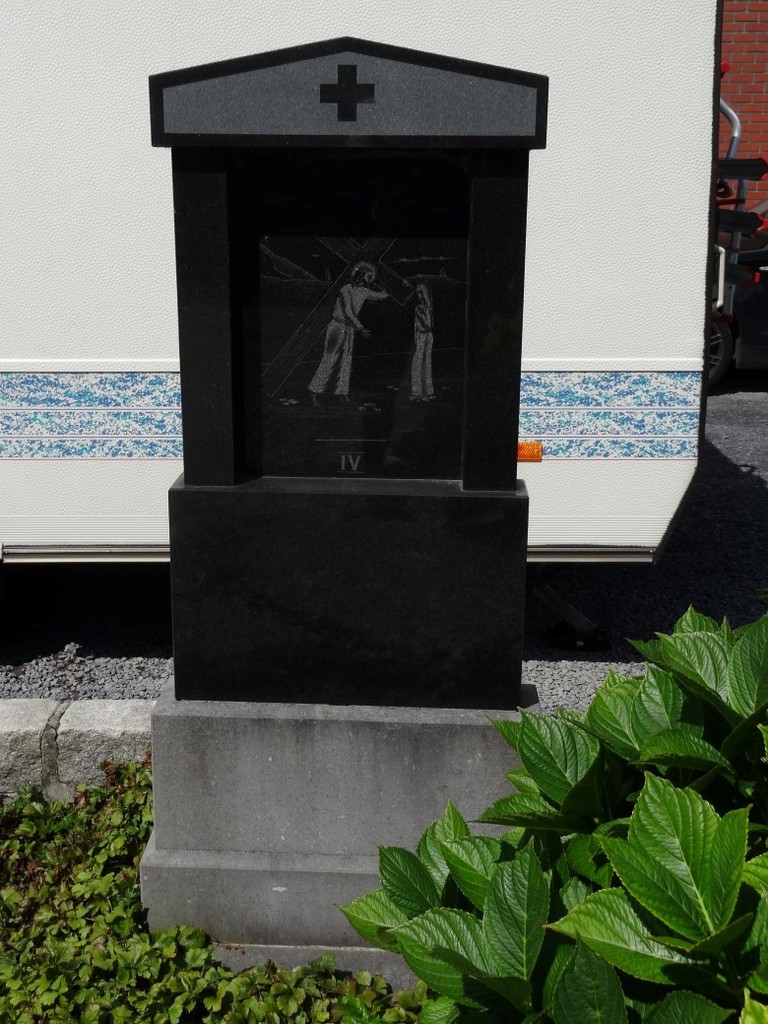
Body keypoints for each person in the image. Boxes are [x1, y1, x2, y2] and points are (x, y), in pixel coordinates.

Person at [308, 262, 388, 401]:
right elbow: (348, 312)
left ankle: (342, 393)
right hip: (337, 326)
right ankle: (314, 391)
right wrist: (361, 328)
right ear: (359, 275)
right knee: (329, 358)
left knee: (346, 360)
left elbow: (381, 296)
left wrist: (387, 289)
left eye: (370, 279)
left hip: (350, 329)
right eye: (367, 277)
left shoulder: (364, 291)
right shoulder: (345, 289)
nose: (368, 281)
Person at [410, 282, 434, 401]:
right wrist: (415, 338)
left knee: (422, 363)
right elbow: (415, 326)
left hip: (426, 335)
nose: (418, 295)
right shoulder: (419, 307)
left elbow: (429, 325)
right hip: (421, 336)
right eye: (417, 292)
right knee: (421, 362)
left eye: (420, 292)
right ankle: (422, 391)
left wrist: (422, 315)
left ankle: (421, 392)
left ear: (425, 294)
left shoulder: (425, 308)